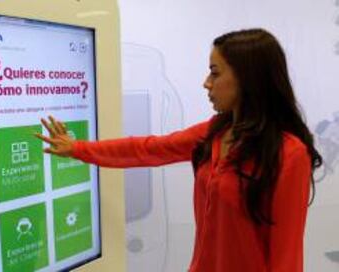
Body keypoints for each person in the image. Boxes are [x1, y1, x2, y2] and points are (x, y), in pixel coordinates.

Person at [36, 28, 322, 272]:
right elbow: (146, 149)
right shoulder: (214, 133)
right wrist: (79, 148)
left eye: (215, 73)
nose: (206, 83)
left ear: (248, 78)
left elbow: (287, 254)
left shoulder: (288, 153)